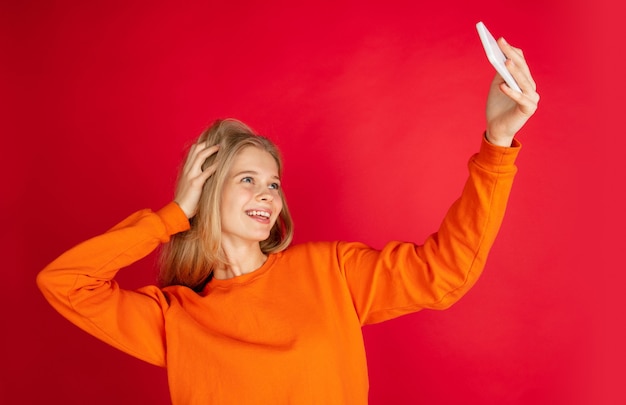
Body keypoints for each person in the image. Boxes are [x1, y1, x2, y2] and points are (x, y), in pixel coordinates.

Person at [37, 37, 539, 404]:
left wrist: (497, 143)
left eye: (274, 183)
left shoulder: (331, 273)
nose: (268, 195)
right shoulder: (175, 318)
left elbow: (443, 273)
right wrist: (173, 215)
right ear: (204, 191)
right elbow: (63, 283)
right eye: (247, 180)